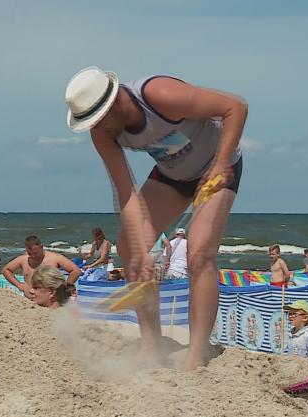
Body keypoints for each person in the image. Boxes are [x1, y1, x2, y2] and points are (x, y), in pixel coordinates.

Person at [65, 66, 246, 370]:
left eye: (98, 119)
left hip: (218, 168)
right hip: (173, 175)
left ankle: (196, 353)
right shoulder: (102, 133)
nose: (97, 127)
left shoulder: (159, 95)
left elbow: (236, 107)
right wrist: (140, 249)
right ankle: (152, 347)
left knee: (198, 252)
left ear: (113, 103)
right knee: (129, 248)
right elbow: (125, 191)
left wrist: (220, 163)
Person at [2, 235, 81, 300]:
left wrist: (66, 287)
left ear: (41, 247)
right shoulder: (23, 259)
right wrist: (19, 285)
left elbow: (75, 271)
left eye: (35, 253)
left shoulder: (54, 258)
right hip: (30, 300)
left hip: (51, 301)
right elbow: (6, 270)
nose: (33, 256)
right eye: (30, 253)